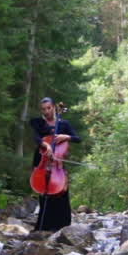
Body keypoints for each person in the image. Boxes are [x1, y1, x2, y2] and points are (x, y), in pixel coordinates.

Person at [30, 97, 80, 231]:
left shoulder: (64, 124)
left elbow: (78, 138)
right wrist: (45, 144)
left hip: (58, 164)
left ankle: (61, 227)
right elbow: (35, 137)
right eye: (43, 109)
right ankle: (43, 227)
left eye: (48, 108)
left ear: (53, 107)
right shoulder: (38, 122)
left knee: (61, 195)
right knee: (44, 193)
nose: (46, 111)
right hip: (42, 160)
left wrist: (66, 137)